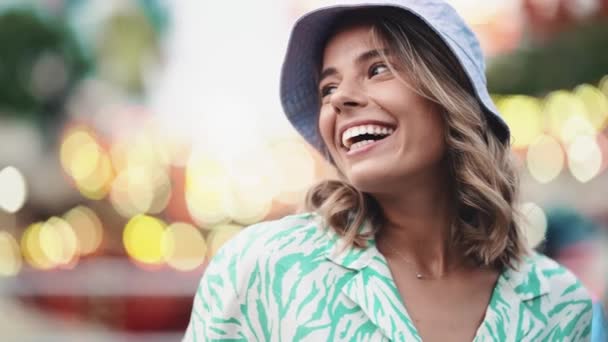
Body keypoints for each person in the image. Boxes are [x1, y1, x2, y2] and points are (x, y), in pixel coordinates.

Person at [183, 1, 593, 340]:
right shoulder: (266, 268)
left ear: (449, 95)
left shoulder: (559, 305)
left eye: (377, 69)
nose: (340, 98)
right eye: (328, 88)